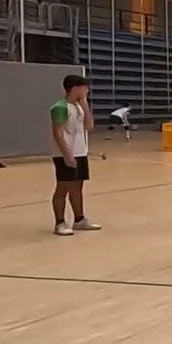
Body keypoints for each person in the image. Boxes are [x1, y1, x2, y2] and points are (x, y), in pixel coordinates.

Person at [49, 74, 101, 236]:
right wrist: (67, 155)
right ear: (75, 88)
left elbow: (89, 126)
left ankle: (79, 220)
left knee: (78, 187)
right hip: (65, 153)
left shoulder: (79, 106)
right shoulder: (60, 107)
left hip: (80, 152)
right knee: (63, 187)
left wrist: (85, 105)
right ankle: (60, 222)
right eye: (84, 87)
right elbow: (57, 133)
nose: (87, 90)